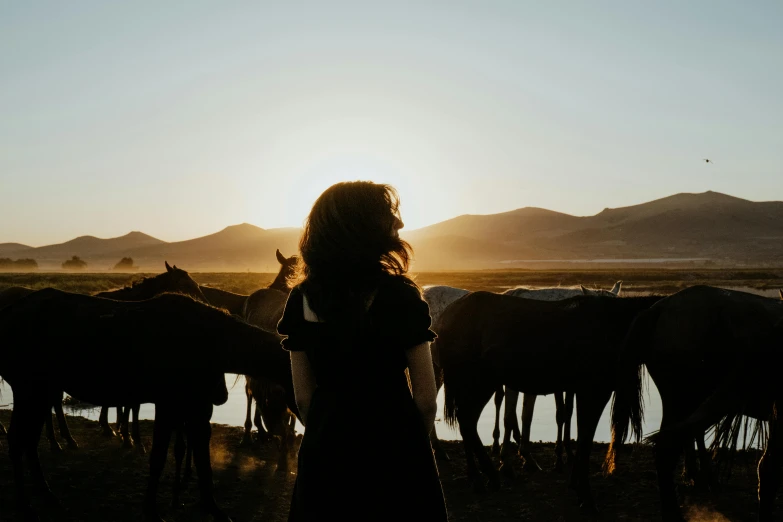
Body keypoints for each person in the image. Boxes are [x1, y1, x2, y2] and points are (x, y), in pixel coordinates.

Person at [277, 181, 448, 521]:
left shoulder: (302, 299)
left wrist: (332, 432)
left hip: (326, 448)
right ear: (363, 225)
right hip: (396, 444)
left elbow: (304, 399)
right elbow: (426, 399)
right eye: (389, 216)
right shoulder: (400, 296)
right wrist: (412, 447)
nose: (399, 224)